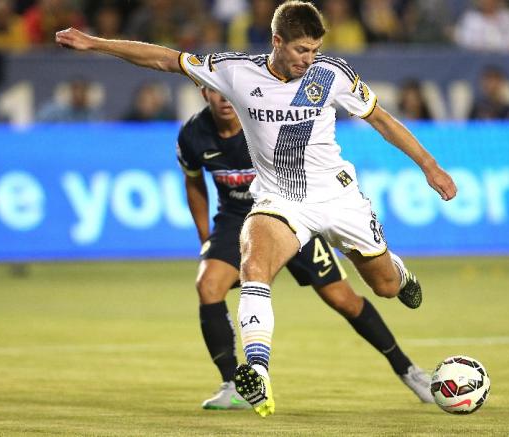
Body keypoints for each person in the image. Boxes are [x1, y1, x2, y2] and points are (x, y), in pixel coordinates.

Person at [56, 0, 457, 418]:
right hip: (280, 201)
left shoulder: (331, 75)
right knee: (254, 265)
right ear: (276, 41)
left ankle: (397, 269)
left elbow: (383, 120)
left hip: (338, 199)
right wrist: (95, 43)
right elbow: (163, 59)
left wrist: (429, 166)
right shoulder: (234, 71)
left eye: (315, 49)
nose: (310, 58)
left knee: (385, 287)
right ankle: (257, 373)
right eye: (302, 49)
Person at [179, 86, 433, 410]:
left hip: (289, 212)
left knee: (343, 300)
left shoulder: (263, 119)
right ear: (203, 92)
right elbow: (193, 181)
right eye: (215, 93)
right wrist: (206, 238)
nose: (225, 99)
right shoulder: (193, 135)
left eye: (228, 92)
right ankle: (235, 384)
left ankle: (408, 370)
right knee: (208, 285)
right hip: (235, 220)